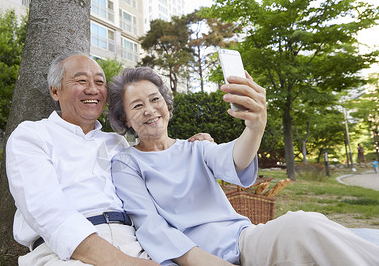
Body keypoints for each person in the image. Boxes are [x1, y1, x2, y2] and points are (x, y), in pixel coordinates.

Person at [108, 67, 379, 266]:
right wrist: (205, 262)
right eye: (137, 105)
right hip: (205, 256)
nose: (150, 110)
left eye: (155, 99)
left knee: (308, 224)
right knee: (303, 226)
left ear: (166, 104)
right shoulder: (127, 162)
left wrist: (254, 126)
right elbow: (150, 225)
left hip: (243, 242)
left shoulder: (197, 147)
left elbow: (236, 159)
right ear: (126, 119)